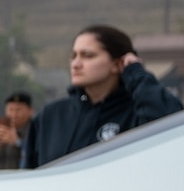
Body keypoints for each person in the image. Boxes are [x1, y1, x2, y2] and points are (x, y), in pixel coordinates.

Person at [23, 25, 183, 168]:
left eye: (87, 55)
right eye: (73, 56)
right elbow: (29, 175)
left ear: (117, 64)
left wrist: (136, 74)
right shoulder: (51, 115)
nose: (76, 64)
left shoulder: (138, 112)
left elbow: (171, 128)